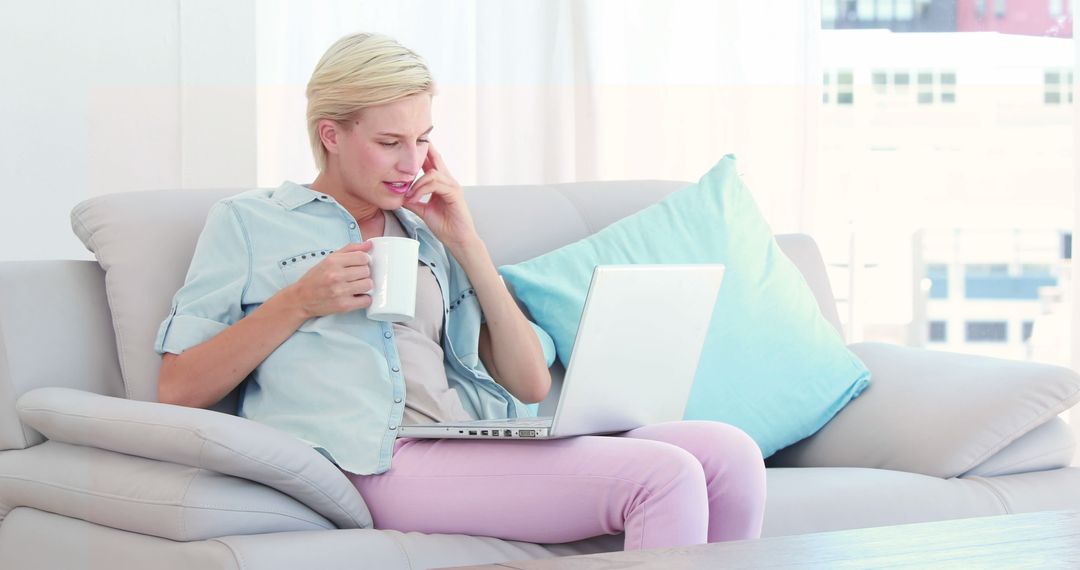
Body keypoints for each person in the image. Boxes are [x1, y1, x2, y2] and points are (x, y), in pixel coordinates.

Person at [155, 31, 766, 550]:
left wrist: (466, 240)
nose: (411, 162)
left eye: (422, 140)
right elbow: (177, 388)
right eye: (390, 142)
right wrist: (298, 301)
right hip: (375, 458)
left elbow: (528, 384)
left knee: (728, 452)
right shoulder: (248, 222)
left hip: (467, 436)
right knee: (662, 477)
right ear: (332, 135)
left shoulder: (426, 230)